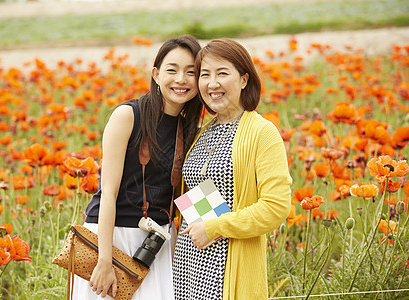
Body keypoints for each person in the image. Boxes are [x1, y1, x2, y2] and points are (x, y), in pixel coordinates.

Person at [74, 34, 203, 299]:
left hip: (157, 243)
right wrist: (104, 260)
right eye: (172, 70)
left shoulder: (191, 130)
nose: (181, 80)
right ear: (155, 74)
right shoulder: (128, 115)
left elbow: (189, 193)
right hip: (113, 235)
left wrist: (222, 225)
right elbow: (107, 192)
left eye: (191, 72)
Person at [172, 38, 292, 300]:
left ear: (244, 79)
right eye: (205, 74)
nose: (212, 83)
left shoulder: (262, 132)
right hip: (186, 267)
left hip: (227, 269)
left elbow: (276, 207)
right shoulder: (203, 133)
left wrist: (215, 227)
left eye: (222, 73)